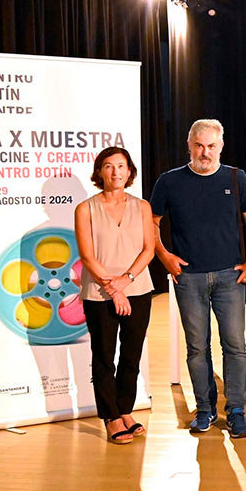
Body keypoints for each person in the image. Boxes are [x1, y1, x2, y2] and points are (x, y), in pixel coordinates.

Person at [151, 119, 246, 438]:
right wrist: (164, 256)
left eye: (211, 146)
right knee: (197, 347)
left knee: (235, 345)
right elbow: (152, 222)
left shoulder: (235, 177)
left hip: (230, 276)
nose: (205, 152)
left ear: (221, 147)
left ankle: (237, 411)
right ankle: (205, 409)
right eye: (199, 145)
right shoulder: (170, 182)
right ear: (189, 145)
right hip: (189, 278)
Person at [74, 147, 155, 445]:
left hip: (138, 289)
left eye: (121, 166)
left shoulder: (142, 206)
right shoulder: (85, 209)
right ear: (99, 172)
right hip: (98, 293)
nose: (115, 172)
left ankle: (125, 410)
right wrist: (112, 288)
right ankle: (110, 416)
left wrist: (126, 281)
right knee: (105, 357)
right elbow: (87, 255)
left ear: (130, 171)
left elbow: (148, 249)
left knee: (131, 356)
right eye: (108, 166)